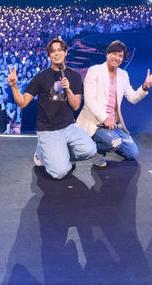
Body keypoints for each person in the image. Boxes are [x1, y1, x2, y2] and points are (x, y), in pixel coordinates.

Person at [8, 37, 96, 179]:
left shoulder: (74, 77)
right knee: (60, 172)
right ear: (49, 56)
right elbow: (23, 102)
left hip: (69, 127)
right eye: (53, 51)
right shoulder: (41, 77)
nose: (56, 54)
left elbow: (76, 105)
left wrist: (68, 90)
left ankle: (58, 153)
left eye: (60, 50)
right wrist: (14, 86)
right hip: (48, 129)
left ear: (66, 52)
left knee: (90, 150)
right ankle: (42, 153)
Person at [77, 40, 152, 168]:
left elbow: (132, 98)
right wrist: (105, 118)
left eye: (120, 56)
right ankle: (95, 150)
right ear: (107, 54)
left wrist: (144, 87)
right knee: (114, 143)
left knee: (132, 153)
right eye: (114, 54)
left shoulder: (123, 75)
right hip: (97, 123)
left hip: (114, 125)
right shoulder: (94, 71)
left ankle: (105, 141)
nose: (117, 58)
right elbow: (89, 100)